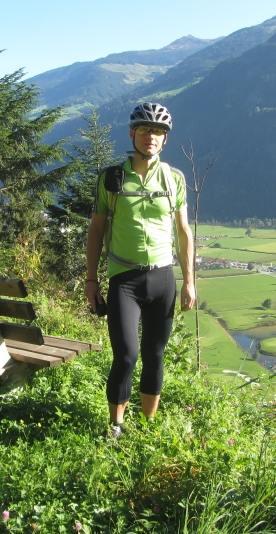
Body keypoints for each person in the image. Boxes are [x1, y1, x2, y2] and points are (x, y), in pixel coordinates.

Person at [84, 102, 196, 439]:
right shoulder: (112, 178)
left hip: (163, 278)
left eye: (158, 131)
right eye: (146, 130)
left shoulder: (174, 179)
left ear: (165, 139)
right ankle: (116, 426)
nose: (152, 136)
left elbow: (183, 232)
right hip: (125, 279)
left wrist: (189, 281)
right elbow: (96, 230)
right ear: (132, 134)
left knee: (155, 354)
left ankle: (148, 425)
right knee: (126, 355)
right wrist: (91, 280)